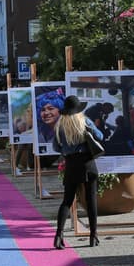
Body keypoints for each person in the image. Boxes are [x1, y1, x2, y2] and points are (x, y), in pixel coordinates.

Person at [51, 95, 103, 248]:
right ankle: (93, 236)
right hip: (88, 163)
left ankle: (58, 236)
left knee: (67, 200)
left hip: (71, 164)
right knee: (91, 200)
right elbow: (100, 136)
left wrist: (67, 149)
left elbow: (55, 147)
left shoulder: (59, 126)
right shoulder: (84, 121)